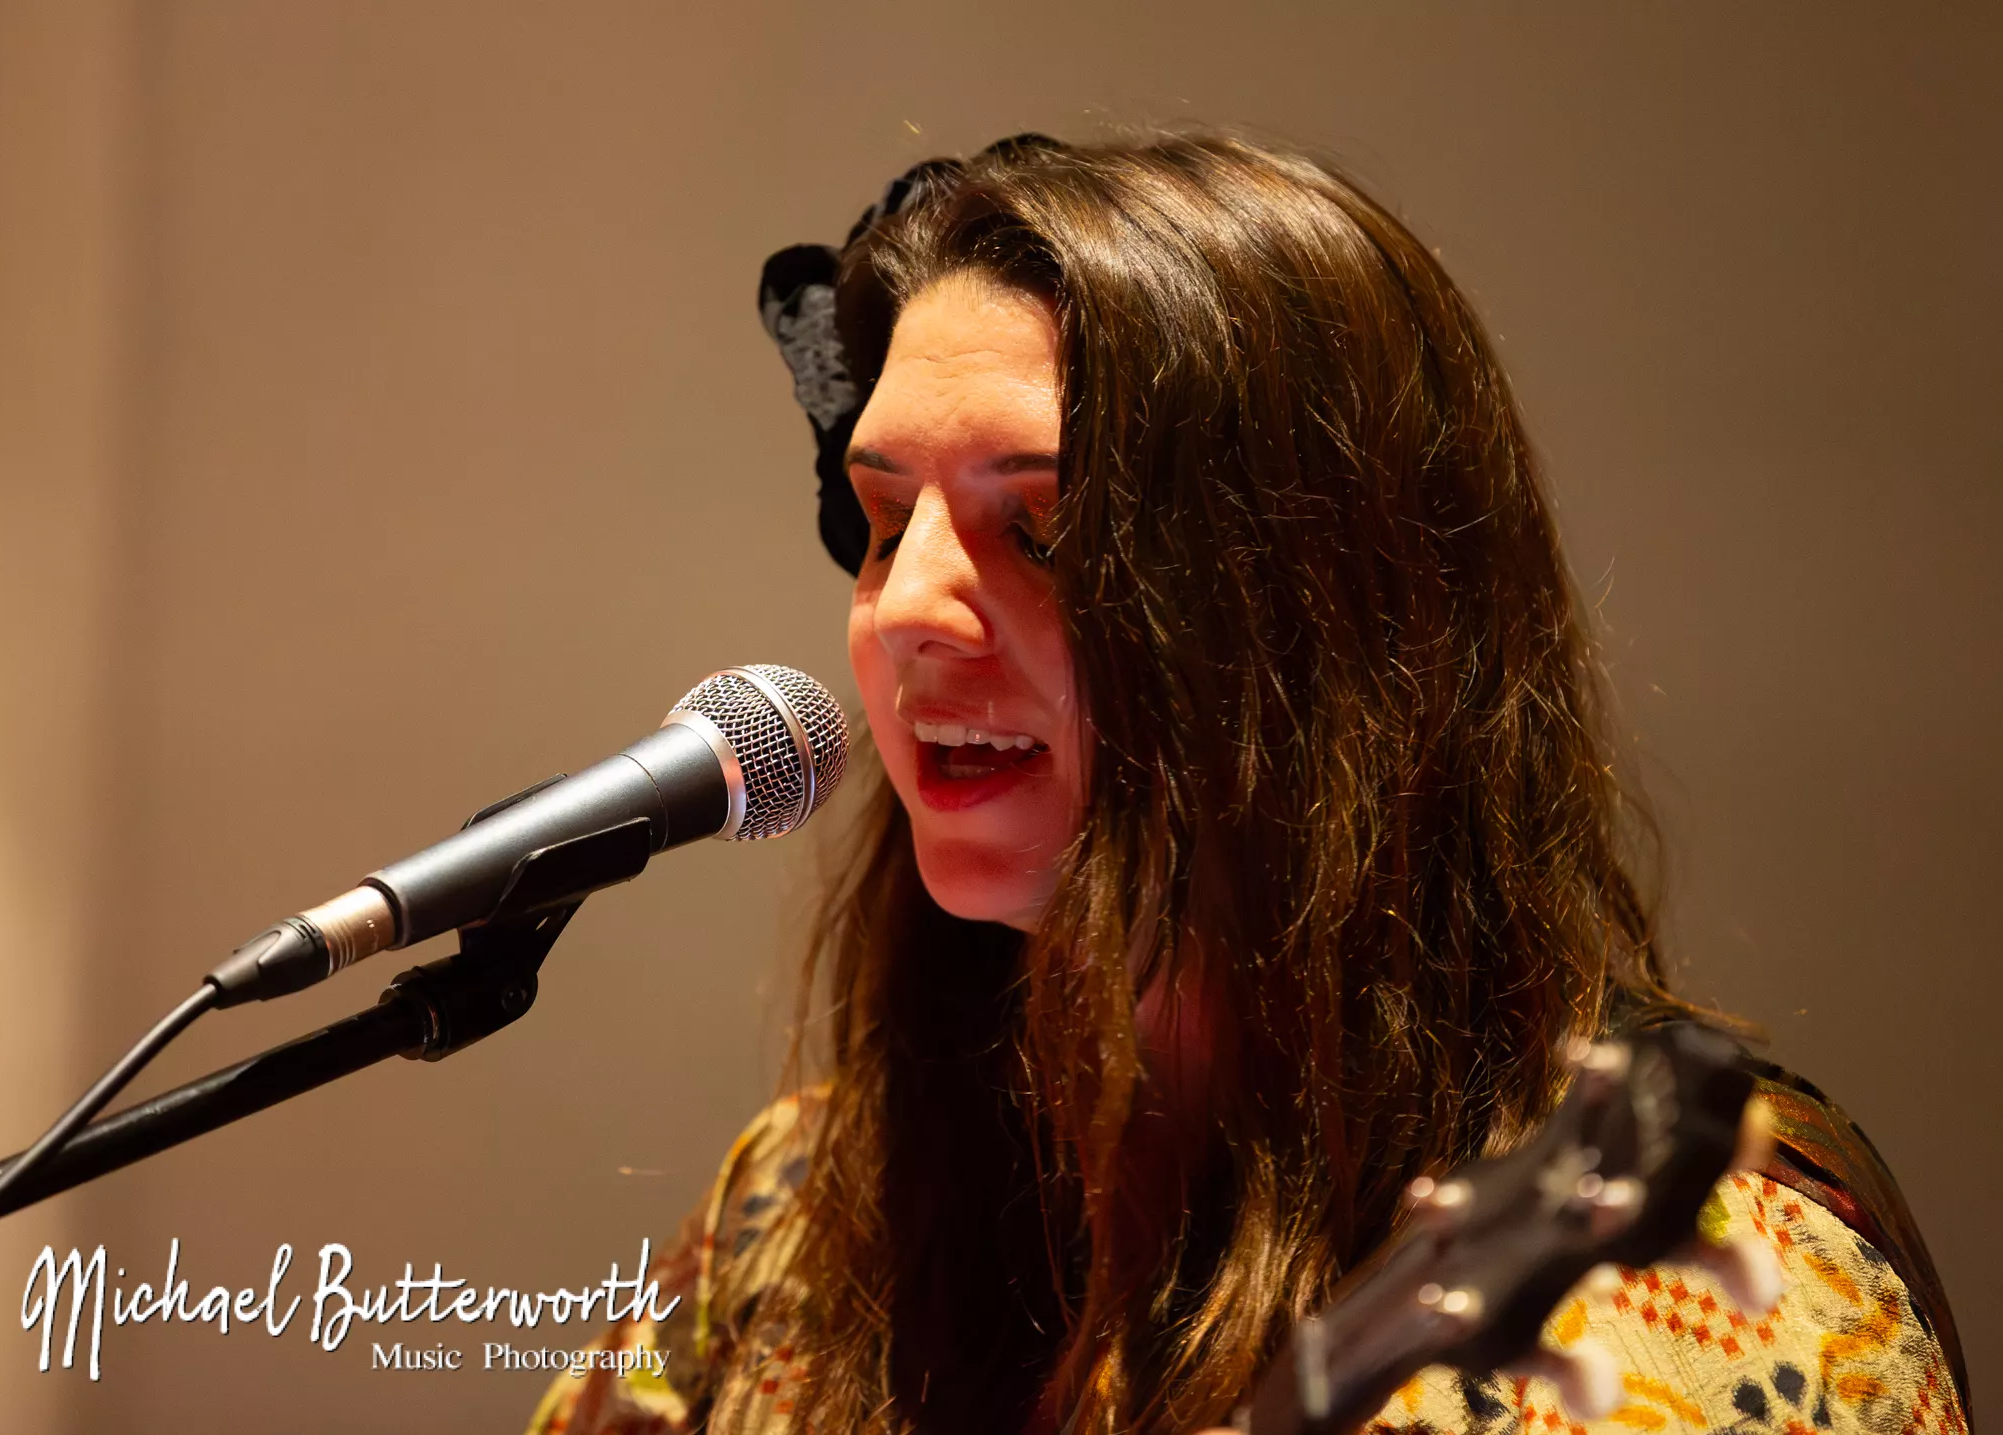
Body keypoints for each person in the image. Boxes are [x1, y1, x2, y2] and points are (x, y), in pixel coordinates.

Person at [525, 133, 1967, 1435]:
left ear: (1330, 617)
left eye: (1045, 529)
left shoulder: (1701, 1292)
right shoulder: (802, 1203)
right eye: (888, 519)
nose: (906, 608)